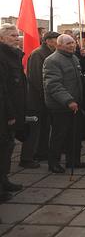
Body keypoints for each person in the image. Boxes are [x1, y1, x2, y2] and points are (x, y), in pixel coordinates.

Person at [43, 34, 85, 173]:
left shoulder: (74, 58)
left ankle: (73, 161)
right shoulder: (52, 60)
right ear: (59, 44)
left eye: (73, 43)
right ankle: (54, 163)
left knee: (74, 135)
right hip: (61, 106)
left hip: (75, 104)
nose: (72, 45)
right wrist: (68, 100)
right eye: (68, 43)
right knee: (59, 136)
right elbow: (53, 85)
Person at [20, 31, 60, 168]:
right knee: (33, 129)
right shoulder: (38, 54)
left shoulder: (50, 54)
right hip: (35, 99)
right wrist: (47, 95)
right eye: (56, 40)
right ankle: (26, 158)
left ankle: (41, 152)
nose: (58, 42)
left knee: (45, 127)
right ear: (48, 40)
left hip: (45, 99)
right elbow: (37, 78)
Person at [0, 24, 24, 201]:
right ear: (1, 38)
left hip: (13, 108)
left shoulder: (13, 55)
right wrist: (9, 114)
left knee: (8, 147)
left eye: (17, 35)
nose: (17, 38)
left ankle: (4, 180)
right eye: (12, 36)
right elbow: (3, 90)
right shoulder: (2, 57)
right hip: (4, 112)